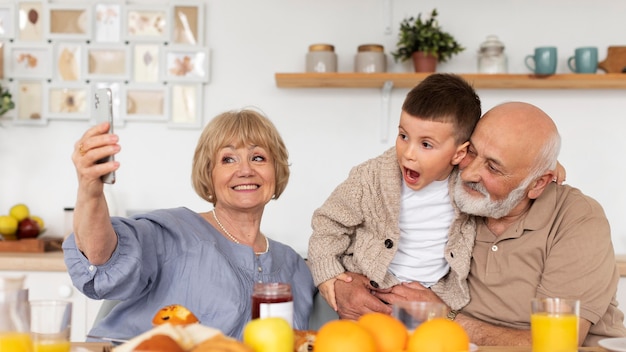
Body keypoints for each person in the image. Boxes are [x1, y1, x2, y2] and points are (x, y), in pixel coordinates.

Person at [373, 101, 626, 346]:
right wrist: (342, 284)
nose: (469, 174)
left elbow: (558, 343)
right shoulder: (451, 193)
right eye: (471, 152)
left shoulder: (576, 218)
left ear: (538, 183)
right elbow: (408, 156)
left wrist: (442, 317)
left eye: (493, 167)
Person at [63, 108, 316, 341]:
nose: (246, 170)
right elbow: (100, 255)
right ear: (209, 173)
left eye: (258, 157)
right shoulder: (174, 233)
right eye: (228, 159)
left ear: (276, 170)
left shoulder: (293, 266)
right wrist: (90, 190)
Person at [307, 73, 482, 318]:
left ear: (458, 154)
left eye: (426, 145)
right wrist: (327, 275)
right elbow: (328, 222)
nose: (408, 153)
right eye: (403, 136)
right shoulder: (371, 178)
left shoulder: (471, 183)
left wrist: (552, 170)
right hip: (372, 298)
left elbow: (513, 173)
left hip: (433, 303)